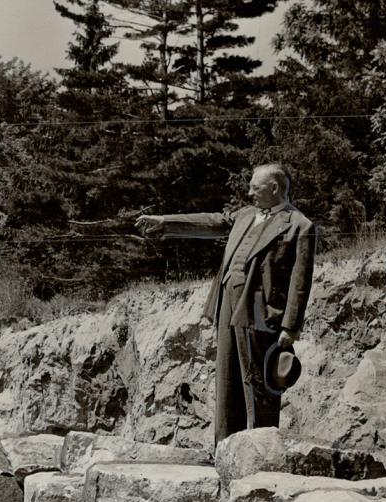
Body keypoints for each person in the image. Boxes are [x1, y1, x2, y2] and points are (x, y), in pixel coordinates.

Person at [135, 163, 317, 444]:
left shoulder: (299, 226)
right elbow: (211, 221)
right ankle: (225, 450)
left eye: (254, 188)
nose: (249, 192)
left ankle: (259, 451)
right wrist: (166, 222)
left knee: (259, 384)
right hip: (227, 306)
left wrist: (289, 327)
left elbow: (300, 281)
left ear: (274, 188)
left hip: (261, 313)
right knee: (227, 383)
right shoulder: (245, 215)